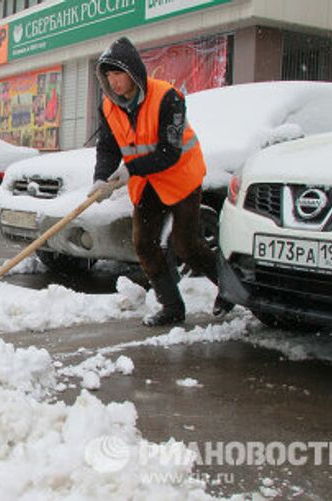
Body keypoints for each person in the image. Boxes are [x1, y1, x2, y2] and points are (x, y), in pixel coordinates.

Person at [88, 37, 233, 326]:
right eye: (109, 76)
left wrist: (130, 170)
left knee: (187, 245)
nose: (114, 82)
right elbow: (108, 147)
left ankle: (230, 289)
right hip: (146, 183)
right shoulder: (109, 106)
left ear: (134, 72)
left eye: (119, 73)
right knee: (144, 243)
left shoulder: (168, 97)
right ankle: (171, 307)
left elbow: (170, 151)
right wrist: (100, 179)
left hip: (180, 177)